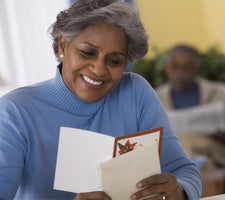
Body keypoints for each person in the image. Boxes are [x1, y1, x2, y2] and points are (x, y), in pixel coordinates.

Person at [0, 1, 202, 200]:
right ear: (63, 45)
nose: (98, 69)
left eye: (114, 61)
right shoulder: (15, 112)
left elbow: (184, 170)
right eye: (87, 52)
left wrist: (180, 191)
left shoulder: (135, 92)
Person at [156, 44, 225, 173]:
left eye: (187, 68)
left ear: (197, 69)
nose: (180, 73)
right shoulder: (155, 98)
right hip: (196, 160)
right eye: (175, 67)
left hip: (223, 154)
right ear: (166, 68)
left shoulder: (221, 92)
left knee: (187, 141)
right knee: (200, 161)